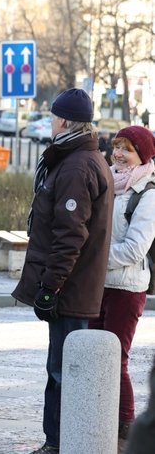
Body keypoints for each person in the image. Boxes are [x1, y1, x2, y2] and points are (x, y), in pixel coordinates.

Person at [12, 88, 114, 454]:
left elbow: (71, 234)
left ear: (65, 121)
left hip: (71, 288)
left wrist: (50, 287)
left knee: (63, 372)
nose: (50, 122)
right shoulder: (76, 158)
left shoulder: (77, 165)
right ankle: (58, 440)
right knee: (62, 369)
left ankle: (59, 443)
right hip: (73, 286)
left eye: (54, 116)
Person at [89, 126, 155, 444]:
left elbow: (134, 249)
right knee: (94, 353)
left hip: (127, 288)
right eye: (116, 146)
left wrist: (93, 257)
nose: (118, 154)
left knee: (117, 358)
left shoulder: (148, 194)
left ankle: (125, 424)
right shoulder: (109, 185)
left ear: (142, 155)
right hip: (98, 284)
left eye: (127, 149)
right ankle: (98, 414)